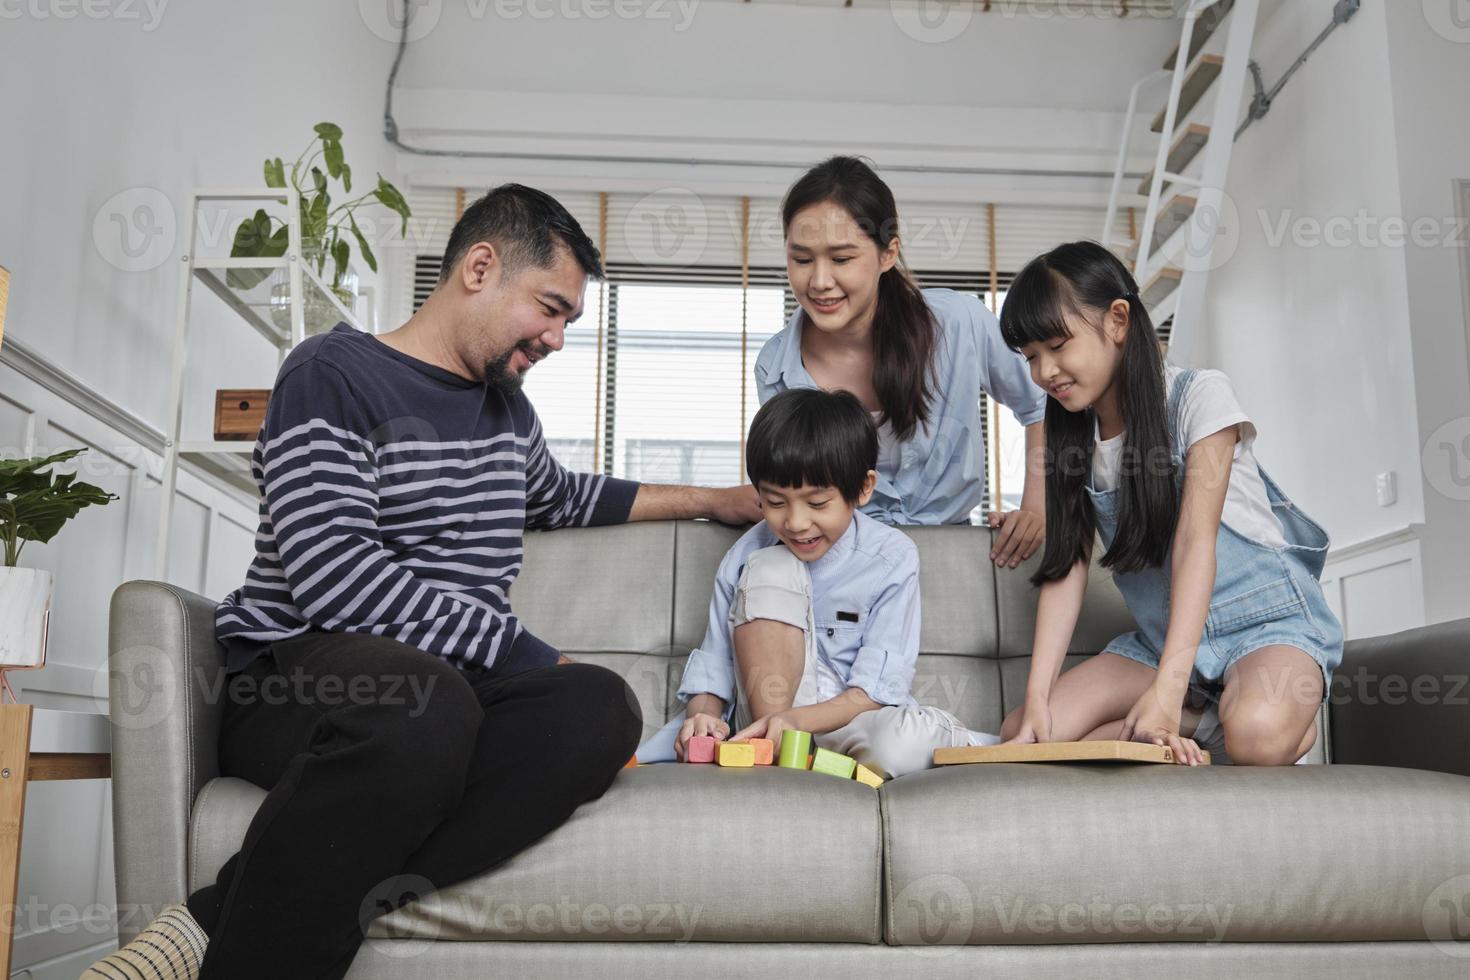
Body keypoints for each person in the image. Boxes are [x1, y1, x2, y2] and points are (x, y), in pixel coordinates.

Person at [87, 184, 762, 980]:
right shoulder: (332, 372)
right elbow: (336, 579)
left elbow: (566, 497)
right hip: (298, 679)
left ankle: (214, 916)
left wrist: (715, 499)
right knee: (429, 705)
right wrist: (531, 656)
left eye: (570, 322)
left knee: (598, 708)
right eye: (550, 308)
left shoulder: (509, 416)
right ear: (481, 267)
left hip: (443, 701)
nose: (556, 338)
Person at [996, 241, 1343, 767]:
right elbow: (1066, 571)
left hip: (1266, 627)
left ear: (1117, 320)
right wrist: (1038, 702)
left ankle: (1222, 714)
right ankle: (1196, 719)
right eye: (1031, 358)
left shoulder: (1199, 398)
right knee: (1025, 732)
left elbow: (1194, 544)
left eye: (1057, 345)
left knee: (1257, 734)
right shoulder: (1071, 439)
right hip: (1165, 644)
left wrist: (1165, 688)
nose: (1044, 371)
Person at [637, 387, 1000, 778]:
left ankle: (953, 741)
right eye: (775, 503)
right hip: (761, 726)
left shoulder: (892, 557)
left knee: (899, 745)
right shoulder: (746, 555)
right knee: (771, 565)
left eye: (817, 504)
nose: (795, 522)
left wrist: (797, 722)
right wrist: (703, 717)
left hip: (846, 723)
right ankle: (781, 758)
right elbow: (715, 666)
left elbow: (874, 692)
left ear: (863, 488)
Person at [756, 156, 1049, 567]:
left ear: (887, 254)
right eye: (802, 260)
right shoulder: (777, 367)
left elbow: (1042, 401)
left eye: (841, 260)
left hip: (953, 553)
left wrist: (1036, 508)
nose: (819, 281)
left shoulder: (957, 322)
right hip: (845, 560)